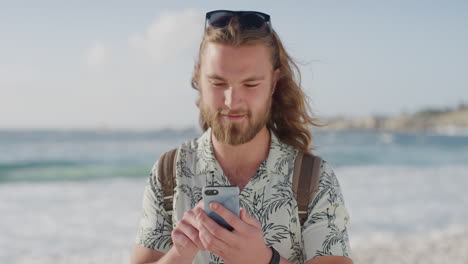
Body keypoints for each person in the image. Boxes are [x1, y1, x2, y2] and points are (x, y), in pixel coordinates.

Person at [131, 10, 353, 264]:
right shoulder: (169, 172)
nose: (232, 101)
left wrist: (263, 260)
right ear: (198, 79)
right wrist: (179, 254)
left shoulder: (314, 179)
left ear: (273, 83)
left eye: (250, 85)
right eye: (217, 82)